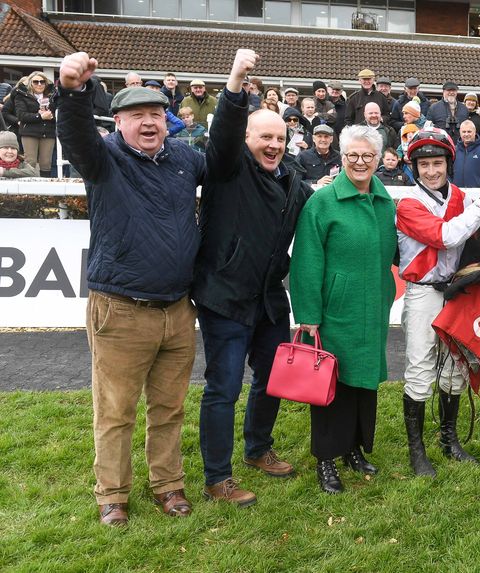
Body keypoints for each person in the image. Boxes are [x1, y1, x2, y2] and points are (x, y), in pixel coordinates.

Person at [57, 51, 206, 526]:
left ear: (168, 121)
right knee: (116, 410)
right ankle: (113, 495)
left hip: (178, 310)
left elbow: (225, 167)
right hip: (120, 310)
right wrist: (73, 92)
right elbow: (76, 136)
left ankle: (168, 485)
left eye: (156, 115)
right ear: (117, 122)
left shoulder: (184, 159)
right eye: (137, 115)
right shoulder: (104, 159)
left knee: (169, 408)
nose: (148, 123)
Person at [192, 49, 314, 508]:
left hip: (267, 298)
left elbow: (317, 205)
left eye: (279, 139)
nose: (273, 145)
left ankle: (258, 449)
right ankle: (217, 477)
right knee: (223, 387)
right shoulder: (227, 166)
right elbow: (221, 135)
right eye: (264, 137)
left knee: (270, 378)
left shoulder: (292, 181)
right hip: (224, 296)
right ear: (247, 137)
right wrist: (236, 81)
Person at [290, 124, 397, 494]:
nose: (360, 162)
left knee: (363, 385)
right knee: (330, 386)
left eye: (368, 156)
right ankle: (326, 460)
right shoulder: (322, 202)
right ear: (342, 156)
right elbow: (306, 261)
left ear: (379, 159)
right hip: (336, 311)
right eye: (352, 155)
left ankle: (354, 449)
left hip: (372, 310)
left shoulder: (385, 203)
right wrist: (308, 314)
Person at [395, 128, 480, 477]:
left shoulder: (459, 197)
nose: (432, 171)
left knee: (456, 366)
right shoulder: (409, 203)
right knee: (421, 367)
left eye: (437, 163)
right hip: (423, 292)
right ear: (415, 167)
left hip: (455, 290)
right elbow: (447, 236)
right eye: (424, 165)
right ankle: (416, 450)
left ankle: (449, 439)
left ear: (447, 163)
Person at [12, 71, 56, 176]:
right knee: (30, 162)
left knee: (46, 163)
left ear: (46, 83)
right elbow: (21, 116)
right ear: (31, 83)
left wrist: (52, 115)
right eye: (36, 82)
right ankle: (27, 190)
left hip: (48, 132)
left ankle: (46, 190)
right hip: (29, 132)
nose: (39, 84)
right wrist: (40, 116)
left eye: (42, 82)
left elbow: (60, 112)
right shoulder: (21, 95)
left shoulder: (53, 96)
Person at [453, 119, 480, 188]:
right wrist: (452, 184)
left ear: (474, 132)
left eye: (469, 131)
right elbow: (447, 170)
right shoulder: (454, 149)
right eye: (464, 132)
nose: (466, 134)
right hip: (457, 191)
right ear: (460, 132)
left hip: (476, 192)